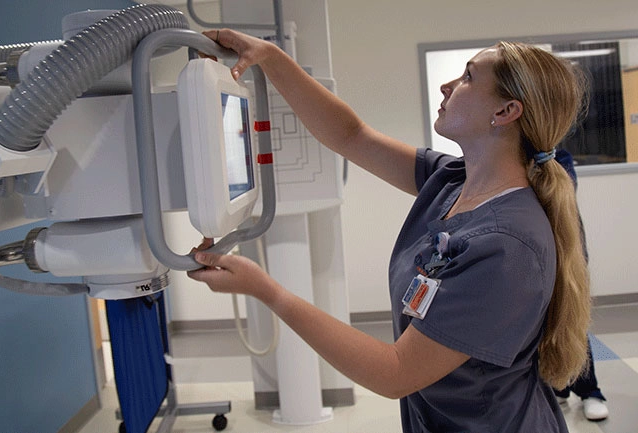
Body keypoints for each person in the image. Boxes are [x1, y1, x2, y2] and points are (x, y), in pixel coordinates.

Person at [187, 28, 592, 432]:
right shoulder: (454, 181)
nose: (448, 85)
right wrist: (271, 58)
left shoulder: (508, 247)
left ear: (505, 112)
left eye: (468, 77)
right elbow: (351, 136)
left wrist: (266, 290)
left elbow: (394, 372)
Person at [553, 149, 609, 422]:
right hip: (531, 255)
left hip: (566, 253)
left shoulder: (556, 158)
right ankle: (559, 386)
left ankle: (590, 392)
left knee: (571, 324)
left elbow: (558, 195)